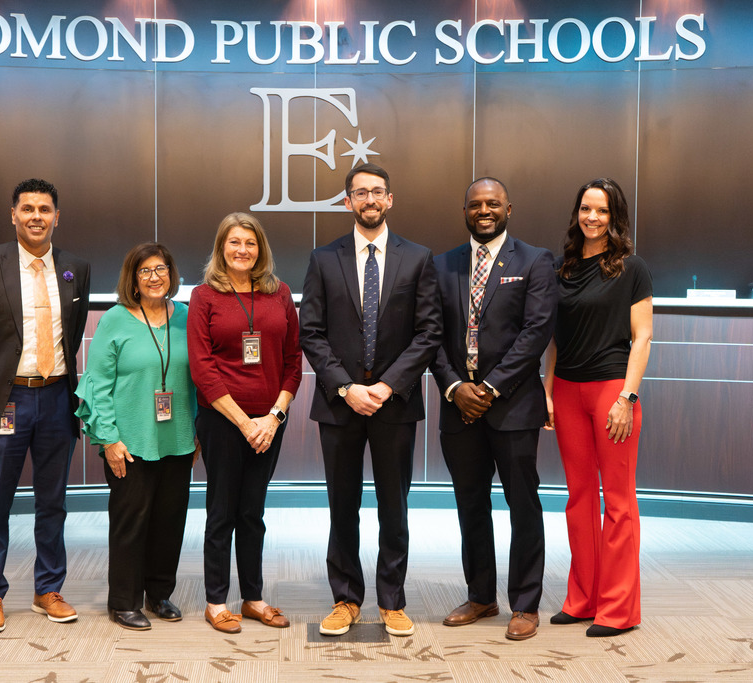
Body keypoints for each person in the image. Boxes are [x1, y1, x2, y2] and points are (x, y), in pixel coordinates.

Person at [299, 163, 442, 638]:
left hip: (394, 403)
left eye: (377, 192)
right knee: (342, 504)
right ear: (347, 202)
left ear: (390, 199)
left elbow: (429, 333)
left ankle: (392, 600)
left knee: (393, 506)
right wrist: (346, 387)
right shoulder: (324, 258)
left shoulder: (418, 258)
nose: (369, 200)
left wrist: (385, 386)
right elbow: (312, 334)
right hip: (340, 404)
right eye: (360, 193)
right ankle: (345, 598)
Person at [0, 178, 91, 633]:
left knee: (53, 502)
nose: (36, 216)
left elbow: (75, 329)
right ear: (13, 215)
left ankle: (47, 588)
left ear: (57, 216)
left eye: (45, 209)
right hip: (7, 399)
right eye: (27, 208)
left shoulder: (75, 268)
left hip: (56, 397)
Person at [430, 177, 557, 640]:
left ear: (509, 208)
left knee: (522, 505)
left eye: (493, 204)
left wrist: (488, 388)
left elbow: (536, 332)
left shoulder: (535, 260)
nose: (484, 210)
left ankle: (525, 603)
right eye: (476, 204)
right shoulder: (441, 266)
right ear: (464, 210)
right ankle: (482, 595)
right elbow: (430, 335)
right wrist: (453, 387)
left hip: (513, 408)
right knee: (471, 505)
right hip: (457, 409)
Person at [544, 177, 653, 638]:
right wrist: (547, 391)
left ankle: (619, 608)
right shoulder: (563, 267)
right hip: (567, 389)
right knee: (579, 499)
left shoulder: (631, 268)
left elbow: (642, 335)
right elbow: (553, 338)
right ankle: (583, 598)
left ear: (615, 217)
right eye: (586, 209)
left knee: (619, 502)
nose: (593, 218)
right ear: (577, 213)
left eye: (602, 211)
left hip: (612, 389)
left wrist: (627, 398)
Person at [187, 212, 302, 634]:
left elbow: (293, 363)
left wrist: (272, 418)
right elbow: (202, 368)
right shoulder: (204, 296)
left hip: (270, 422)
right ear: (221, 248)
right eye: (234, 242)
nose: (242, 250)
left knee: (253, 512)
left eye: (250, 243)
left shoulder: (280, 293)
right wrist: (244, 421)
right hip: (222, 421)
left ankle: (253, 597)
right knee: (221, 511)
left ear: (261, 249)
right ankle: (216, 600)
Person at [75, 243, 197, 631]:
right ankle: (123, 601)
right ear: (132, 278)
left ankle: (158, 593)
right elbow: (96, 385)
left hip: (177, 439)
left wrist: (197, 433)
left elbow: (200, 379)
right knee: (131, 521)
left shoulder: (187, 317)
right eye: (144, 271)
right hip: (129, 441)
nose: (154, 277)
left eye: (161, 268)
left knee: (169, 520)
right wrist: (109, 439)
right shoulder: (114, 320)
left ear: (172, 274)